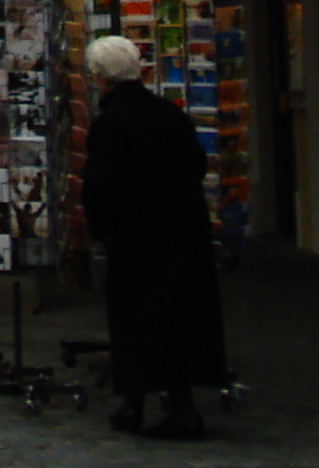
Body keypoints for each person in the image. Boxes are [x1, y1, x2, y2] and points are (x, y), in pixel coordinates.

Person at [79, 34, 227, 439]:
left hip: (135, 237)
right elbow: (196, 164)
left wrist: (101, 229)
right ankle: (181, 402)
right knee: (180, 317)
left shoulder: (110, 123)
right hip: (182, 230)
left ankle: (134, 403)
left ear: (100, 78)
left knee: (135, 320)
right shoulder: (169, 113)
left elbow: (100, 183)